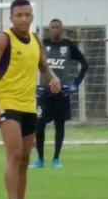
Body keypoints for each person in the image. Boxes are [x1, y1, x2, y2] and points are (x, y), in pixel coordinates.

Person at [0, 0, 61, 199]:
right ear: (11, 17)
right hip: (7, 104)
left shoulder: (36, 40)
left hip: (29, 105)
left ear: (32, 17)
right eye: (19, 15)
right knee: (15, 154)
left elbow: (44, 69)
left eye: (27, 15)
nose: (23, 19)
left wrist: (53, 78)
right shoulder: (2, 39)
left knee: (26, 158)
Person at [31, 18, 88, 169]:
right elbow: (30, 64)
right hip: (44, 93)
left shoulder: (68, 45)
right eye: (52, 27)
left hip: (61, 93)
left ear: (61, 29)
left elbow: (85, 64)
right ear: (49, 29)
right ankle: (40, 159)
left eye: (58, 27)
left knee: (60, 125)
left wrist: (75, 84)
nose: (55, 29)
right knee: (39, 124)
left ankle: (56, 158)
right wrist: (34, 85)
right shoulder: (43, 45)